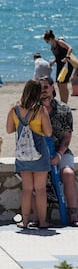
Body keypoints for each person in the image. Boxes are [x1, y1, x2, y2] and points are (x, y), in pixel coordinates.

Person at [6, 80, 52, 228]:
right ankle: (43, 221)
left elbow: (9, 130)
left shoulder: (14, 109)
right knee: (40, 189)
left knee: (27, 189)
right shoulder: (40, 110)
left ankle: (25, 221)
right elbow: (49, 132)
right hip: (39, 153)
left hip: (23, 153)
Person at [39, 76, 78, 226]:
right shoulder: (33, 110)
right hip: (40, 154)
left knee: (68, 174)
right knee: (37, 179)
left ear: (52, 87)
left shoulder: (64, 110)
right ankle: (39, 217)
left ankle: (73, 215)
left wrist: (59, 155)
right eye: (40, 88)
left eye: (45, 87)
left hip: (61, 151)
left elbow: (67, 136)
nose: (43, 91)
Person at [43, 29, 74, 104]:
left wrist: (67, 57)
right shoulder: (53, 45)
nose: (48, 43)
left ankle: (65, 103)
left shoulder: (59, 42)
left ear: (50, 38)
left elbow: (70, 48)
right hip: (59, 65)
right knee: (59, 84)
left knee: (63, 84)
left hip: (66, 65)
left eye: (47, 41)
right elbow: (58, 56)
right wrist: (53, 61)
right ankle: (62, 102)